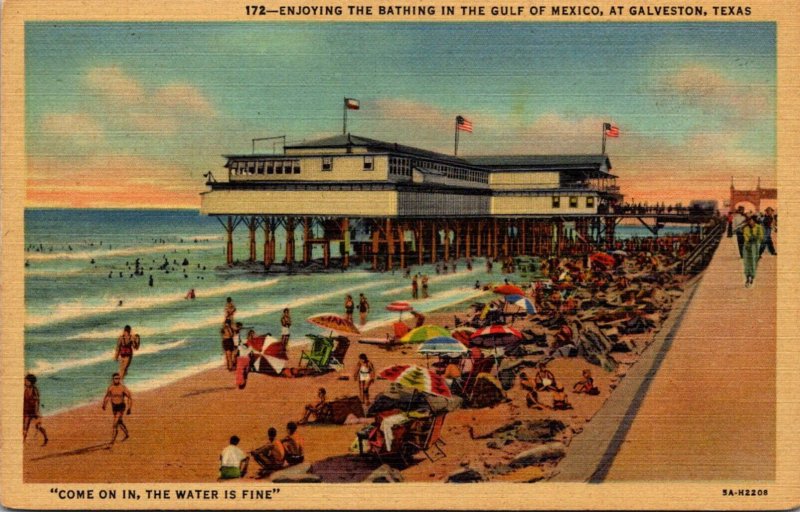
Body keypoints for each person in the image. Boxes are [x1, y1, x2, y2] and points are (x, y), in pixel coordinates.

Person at [102, 373, 132, 445]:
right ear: (113, 379)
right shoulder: (110, 388)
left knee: (115, 423)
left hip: (121, 406)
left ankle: (112, 440)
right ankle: (127, 434)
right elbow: (107, 396)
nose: (117, 380)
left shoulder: (123, 388)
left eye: (118, 378)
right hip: (114, 407)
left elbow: (129, 397)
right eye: (115, 378)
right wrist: (104, 404)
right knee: (119, 421)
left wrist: (129, 408)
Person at [23, 374, 48, 445]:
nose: (25, 381)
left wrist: (37, 412)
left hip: (34, 411)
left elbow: (37, 401)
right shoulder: (25, 389)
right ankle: (23, 441)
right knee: (25, 427)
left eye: (27, 380)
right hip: (27, 411)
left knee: (38, 426)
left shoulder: (34, 389)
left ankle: (46, 438)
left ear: (31, 382)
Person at [742, 215, 764, 288]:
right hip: (747, 247)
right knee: (747, 262)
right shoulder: (746, 228)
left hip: (755, 247)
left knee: (754, 262)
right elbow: (745, 237)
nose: (750, 222)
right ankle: (747, 277)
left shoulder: (758, 227)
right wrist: (750, 239)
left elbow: (761, 236)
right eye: (748, 221)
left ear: (754, 221)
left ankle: (752, 277)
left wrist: (756, 238)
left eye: (751, 221)